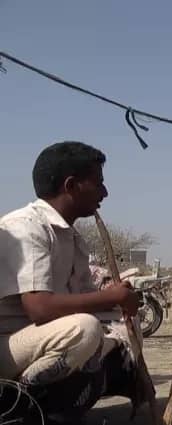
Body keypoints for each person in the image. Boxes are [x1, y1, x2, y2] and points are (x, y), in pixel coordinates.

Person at [0, 142, 144, 424]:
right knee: (84, 329)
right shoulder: (25, 226)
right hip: (8, 344)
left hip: (38, 338)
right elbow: (40, 308)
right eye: (98, 183)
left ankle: (105, 383)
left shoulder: (71, 236)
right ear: (71, 185)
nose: (105, 192)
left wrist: (117, 301)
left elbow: (81, 299)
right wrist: (110, 297)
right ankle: (20, 401)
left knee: (124, 321)